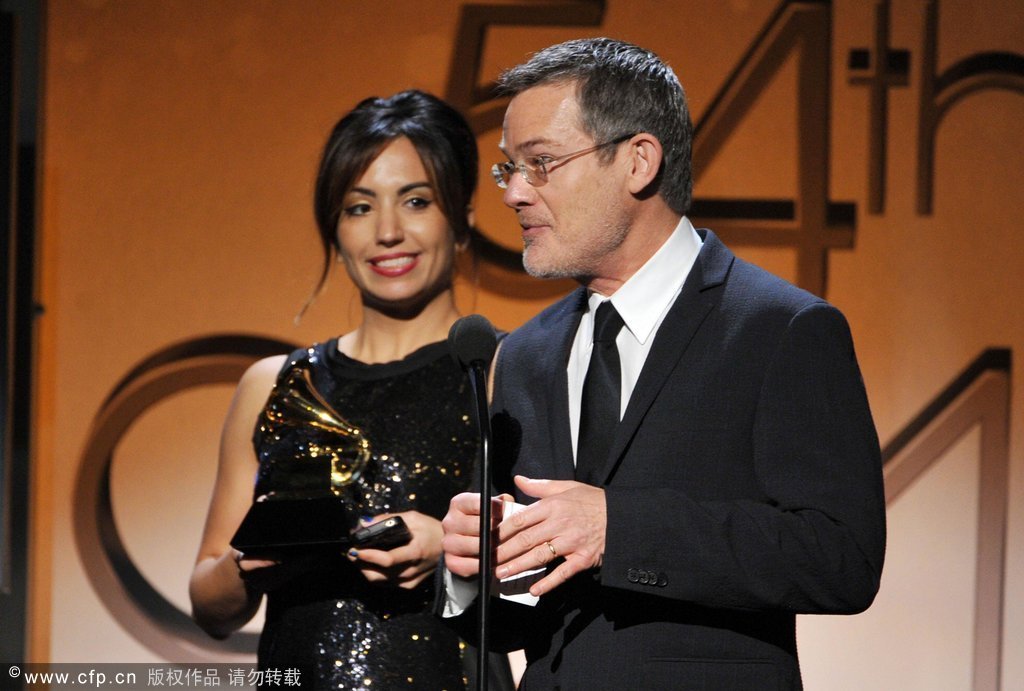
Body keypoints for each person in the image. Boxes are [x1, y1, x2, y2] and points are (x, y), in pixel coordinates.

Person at [440, 38, 887, 690]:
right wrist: (472, 566)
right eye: (508, 169)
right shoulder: (525, 354)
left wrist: (620, 528)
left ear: (639, 161)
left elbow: (841, 558)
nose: (513, 194)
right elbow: (514, 623)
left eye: (540, 163)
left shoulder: (781, 329)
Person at [189, 89, 508, 689]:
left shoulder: (501, 368)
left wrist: (450, 544)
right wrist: (252, 564)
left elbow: (565, 556)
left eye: (416, 201)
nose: (388, 232)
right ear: (334, 233)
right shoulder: (274, 385)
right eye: (359, 208)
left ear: (462, 219)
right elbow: (210, 606)